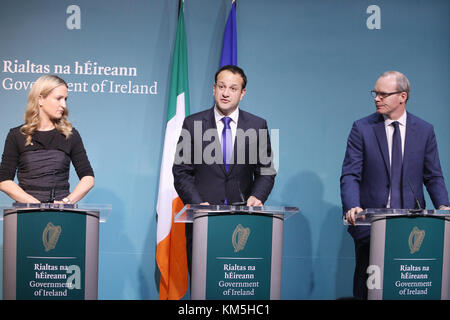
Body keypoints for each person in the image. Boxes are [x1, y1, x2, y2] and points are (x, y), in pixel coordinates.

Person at [340, 70, 450, 299]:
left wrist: (443, 206)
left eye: (383, 94)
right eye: (375, 93)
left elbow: (433, 176)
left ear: (402, 96)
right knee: (368, 287)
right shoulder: (362, 128)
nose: (376, 98)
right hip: (370, 225)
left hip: (411, 226)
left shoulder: (424, 130)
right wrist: (353, 206)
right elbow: (350, 174)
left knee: (406, 288)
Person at [173, 65, 276, 206]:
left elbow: (266, 170)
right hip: (202, 215)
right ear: (214, 89)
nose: (226, 93)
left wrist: (257, 196)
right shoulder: (192, 124)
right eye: (222, 87)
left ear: (242, 93)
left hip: (242, 215)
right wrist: (197, 203)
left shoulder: (257, 125)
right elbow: (181, 172)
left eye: (233, 89)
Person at [0, 74, 94, 204]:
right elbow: (4, 181)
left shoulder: (70, 135)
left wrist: (66, 202)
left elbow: (88, 177)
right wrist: (37, 205)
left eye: (65, 99)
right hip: (27, 214)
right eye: (58, 98)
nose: (64, 105)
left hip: (60, 214)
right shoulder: (16, 135)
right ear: (40, 99)